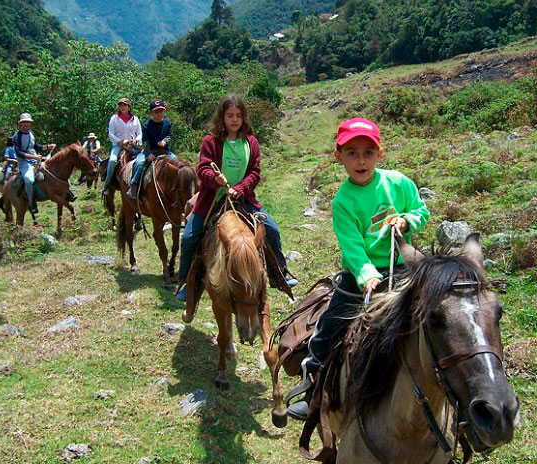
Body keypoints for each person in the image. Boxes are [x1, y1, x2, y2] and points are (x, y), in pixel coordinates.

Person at [286, 117, 430, 420]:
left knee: (441, 316)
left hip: (404, 266)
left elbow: (421, 210)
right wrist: (368, 276)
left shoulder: (398, 182)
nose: (361, 160)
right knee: (330, 326)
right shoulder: (343, 201)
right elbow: (352, 247)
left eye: (368, 152)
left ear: (379, 154)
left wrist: (407, 220)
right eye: (352, 153)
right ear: (339, 157)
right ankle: (312, 389)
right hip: (362, 275)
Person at [175, 93, 297, 303]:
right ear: (222, 117)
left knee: (273, 230)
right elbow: (203, 167)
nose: (234, 119)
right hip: (211, 200)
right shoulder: (210, 141)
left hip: (243, 199)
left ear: (244, 117)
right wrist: (215, 178)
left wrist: (239, 189)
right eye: (230, 115)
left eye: (238, 115)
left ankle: (280, 274)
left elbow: (255, 173)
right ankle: (188, 282)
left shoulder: (251, 142)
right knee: (188, 238)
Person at [127, 99, 175, 199]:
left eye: (161, 111)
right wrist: (148, 153)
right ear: (151, 113)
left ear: (164, 111)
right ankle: (134, 184)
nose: (159, 114)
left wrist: (165, 141)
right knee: (139, 163)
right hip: (150, 150)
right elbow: (145, 141)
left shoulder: (167, 123)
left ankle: (177, 185)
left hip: (165, 150)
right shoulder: (146, 125)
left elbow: (170, 135)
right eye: (156, 112)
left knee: (176, 162)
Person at [12, 113, 56, 215]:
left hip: (36, 160)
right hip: (24, 162)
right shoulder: (16, 136)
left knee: (53, 173)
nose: (26, 124)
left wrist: (48, 146)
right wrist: (34, 157)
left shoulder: (31, 134)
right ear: (21, 124)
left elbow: (36, 147)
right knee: (29, 180)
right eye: (24, 122)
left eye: (28, 122)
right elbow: (19, 152)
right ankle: (32, 203)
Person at [103, 98, 142, 196]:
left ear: (129, 107)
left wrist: (136, 140)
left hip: (133, 145)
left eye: (124, 105)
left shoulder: (135, 119)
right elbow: (111, 134)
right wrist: (120, 141)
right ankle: (107, 186)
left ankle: (139, 184)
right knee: (112, 161)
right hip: (118, 145)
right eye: (121, 105)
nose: (122, 107)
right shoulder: (114, 118)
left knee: (143, 160)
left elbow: (140, 134)